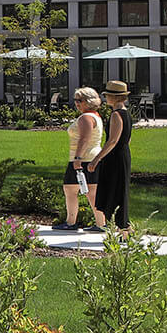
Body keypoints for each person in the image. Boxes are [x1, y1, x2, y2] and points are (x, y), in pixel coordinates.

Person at [55, 87, 103, 231]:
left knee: (72, 190)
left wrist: (77, 159)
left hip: (84, 158)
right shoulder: (95, 116)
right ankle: (101, 223)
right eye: (75, 100)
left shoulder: (86, 118)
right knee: (89, 192)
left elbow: (84, 139)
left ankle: (71, 222)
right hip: (91, 157)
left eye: (79, 100)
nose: (76, 103)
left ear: (88, 101)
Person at [90, 79, 135, 232]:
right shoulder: (126, 114)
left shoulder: (116, 115)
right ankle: (123, 227)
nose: (105, 98)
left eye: (108, 95)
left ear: (115, 97)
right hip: (122, 155)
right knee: (119, 190)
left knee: (115, 190)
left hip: (115, 157)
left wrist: (96, 159)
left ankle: (124, 227)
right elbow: (127, 139)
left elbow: (113, 140)